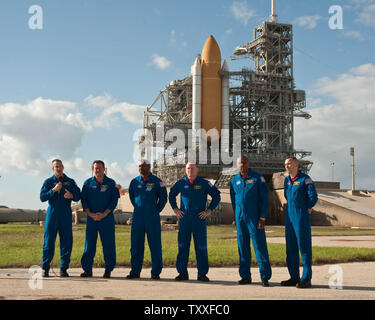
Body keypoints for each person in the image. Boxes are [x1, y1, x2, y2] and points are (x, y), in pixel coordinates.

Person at [169, 162, 221, 282]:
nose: (190, 170)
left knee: (201, 247)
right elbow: (171, 195)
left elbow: (217, 195)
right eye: (188, 168)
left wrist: (209, 210)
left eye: (192, 168)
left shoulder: (204, 183)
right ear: (185, 170)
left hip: (199, 219)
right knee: (182, 247)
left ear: (197, 170)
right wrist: (175, 208)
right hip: (185, 220)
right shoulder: (181, 183)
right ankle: (182, 273)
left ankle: (202, 274)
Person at [230, 156, 272, 287]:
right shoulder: (234, 180)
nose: (242, 165)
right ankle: (245, 276)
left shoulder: (257, 178)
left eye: (244, 162)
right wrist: (236, 217)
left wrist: (262, 217)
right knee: (242, 247)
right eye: (239, 163)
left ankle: (264, 277)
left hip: (255, 218)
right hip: (240, 218)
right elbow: (233, 200)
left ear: (248, 163)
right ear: (237, 165)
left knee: (259, 246)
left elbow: (264, 199)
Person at [127, 159, 168, 280]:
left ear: (149, 167)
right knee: (136, 245)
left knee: (155, 245)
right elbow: (132, 197)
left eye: (143, 166)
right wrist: (139, 208)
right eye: (139, 166)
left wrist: (156, 210)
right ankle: (135, 271)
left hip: (152, 218)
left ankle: (155, 272)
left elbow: (163, 198)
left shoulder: (158, 182)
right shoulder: (134, 182)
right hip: (138, 217)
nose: (141, 168)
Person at [281, 157, 318, 289]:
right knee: (290, 248)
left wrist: (307, 206)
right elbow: (286, 195)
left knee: (304, 247)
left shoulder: (305, 179)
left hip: (301, 216)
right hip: (290, 217)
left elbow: (313, 196)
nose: (287, 166)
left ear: (296, 164)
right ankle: (294, 277)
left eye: (289, 163)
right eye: (285, 164)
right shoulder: (286, 180)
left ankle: (306, 278)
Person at [40, 159, 81, 277]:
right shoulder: (48, 182)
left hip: (65, 215)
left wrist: (71, 195)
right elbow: (42, 197)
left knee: (66, 242)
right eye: (55, 167)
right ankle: (45, 268)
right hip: (52, 214)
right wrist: (53, 190)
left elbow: (78, 195)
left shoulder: (70, 181)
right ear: (53, 169)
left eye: (59, 166)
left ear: (63, 167)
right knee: (48, 242)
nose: (58, 168)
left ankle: (63, 269)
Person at [80, 160, 120, 278]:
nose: (97, 170)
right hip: (91, 219)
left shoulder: (111, 183)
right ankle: (87, 270)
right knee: (89, 245)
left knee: (108, 245)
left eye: (100, 168)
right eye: (95, 168)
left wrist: (104, 214)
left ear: (104, 169)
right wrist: (90, 214)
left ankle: (108, 270)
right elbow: (84, 200)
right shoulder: (87, 183)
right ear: (93, 169)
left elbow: (114, 200)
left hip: (106, 219)